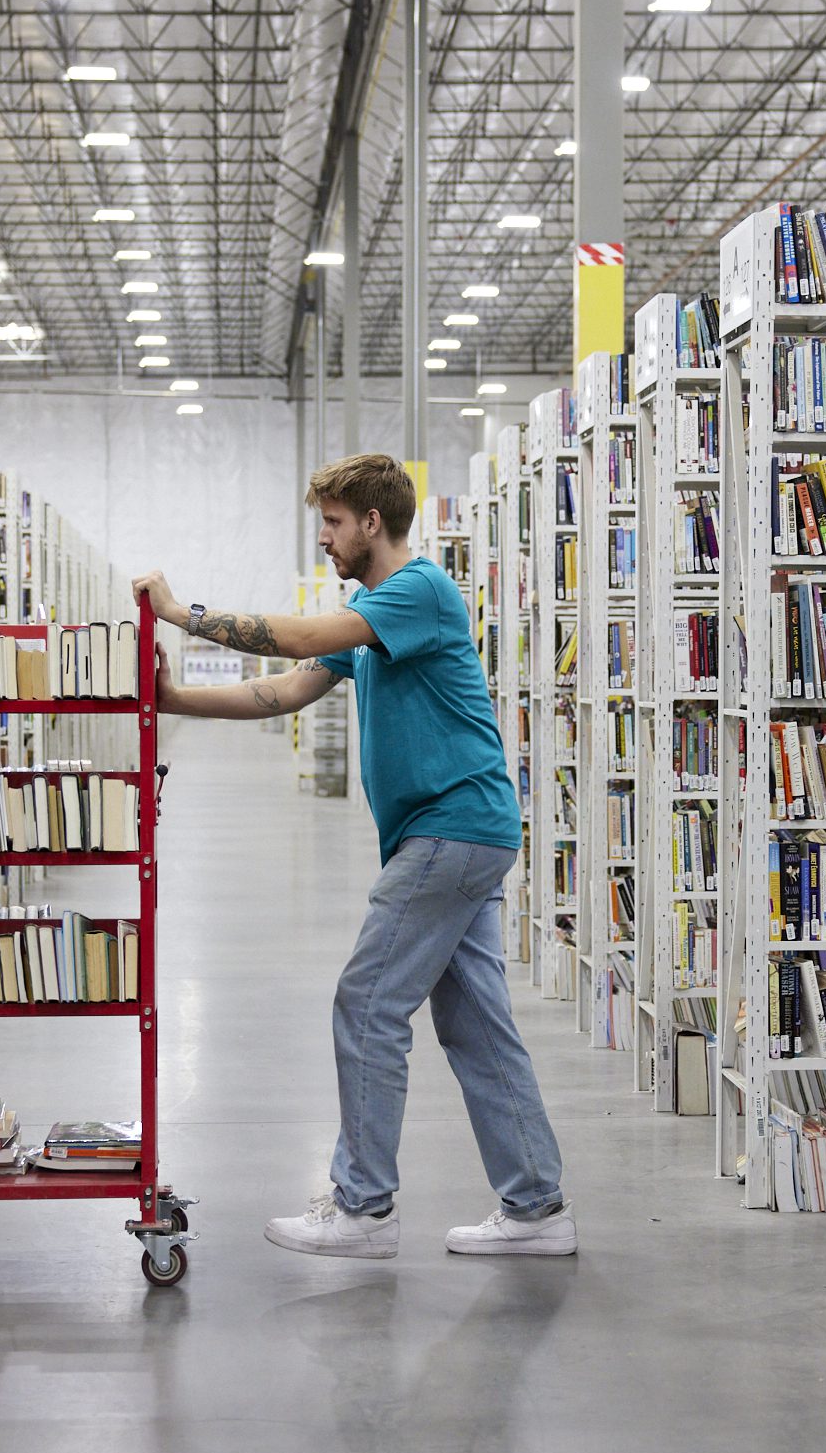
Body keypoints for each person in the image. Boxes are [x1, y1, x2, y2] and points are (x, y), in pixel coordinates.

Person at [131, 452, 574, 1259]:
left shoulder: (419, 591)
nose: (325, 541)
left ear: (372, 521)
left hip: (454, 827)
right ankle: (537, 1208)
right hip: (453, 832)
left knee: (367, 1001)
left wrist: (183, 614)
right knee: (475, 1023)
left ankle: (363, 1207)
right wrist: (175, 700)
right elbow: (287, 685)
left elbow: (298, 633)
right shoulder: (373, 610)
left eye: (333, 524)